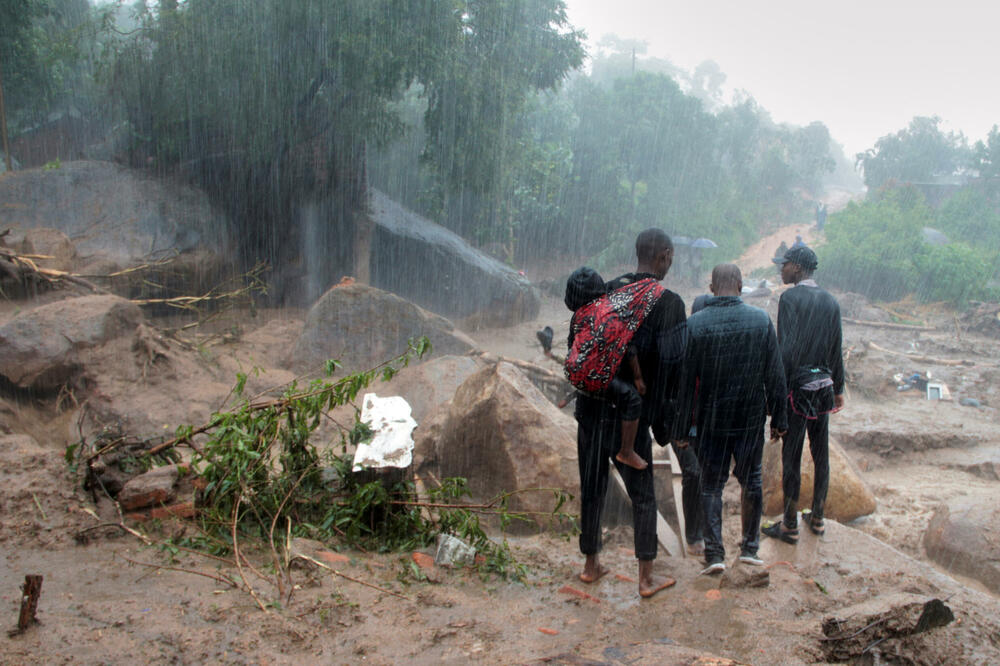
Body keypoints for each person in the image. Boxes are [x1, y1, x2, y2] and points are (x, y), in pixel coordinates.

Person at [574, 228, 688, 598]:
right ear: (665, 256)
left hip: (592, 405)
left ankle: (591, 566)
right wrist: (665, 425)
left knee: (592, 488)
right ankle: (645, 578)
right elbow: (672, 369)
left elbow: (584, 342)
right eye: (670, 258)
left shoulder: (608, 289)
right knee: (642, 494)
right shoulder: (668, 302)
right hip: (630, 418)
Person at [683, 264, 787, 573]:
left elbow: (686, 384)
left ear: (711, 287)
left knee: (711, 486)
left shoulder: (695, 325)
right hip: (749, 418)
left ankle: (714, 555)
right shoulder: (760, 321)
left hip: (711, 420)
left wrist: (679, 428)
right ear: (741, 285)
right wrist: (779, 419)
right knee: (751, 479)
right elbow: (775, 375)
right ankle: (750, 549)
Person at [763, 245, 845, 543]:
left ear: (796, 267)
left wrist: (777, 394)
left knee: (792, 455)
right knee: (820, 453)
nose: (780, 270)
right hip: (823, 386)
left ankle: (788, 523)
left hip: (797, 389)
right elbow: (835, 348)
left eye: (783, 265)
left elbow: (787, 350)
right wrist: (839, 388)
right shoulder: (830, 301)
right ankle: (819, 517)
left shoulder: (790, 298)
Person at [564, 267, 648, 471]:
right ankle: (626, 451)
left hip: (576, 376)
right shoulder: (612, 312)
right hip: (599, 381)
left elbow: (571, 345)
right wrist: (637, 377)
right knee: (633, 400)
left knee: (592, 475)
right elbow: (628, 347)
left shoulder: (578, 316)